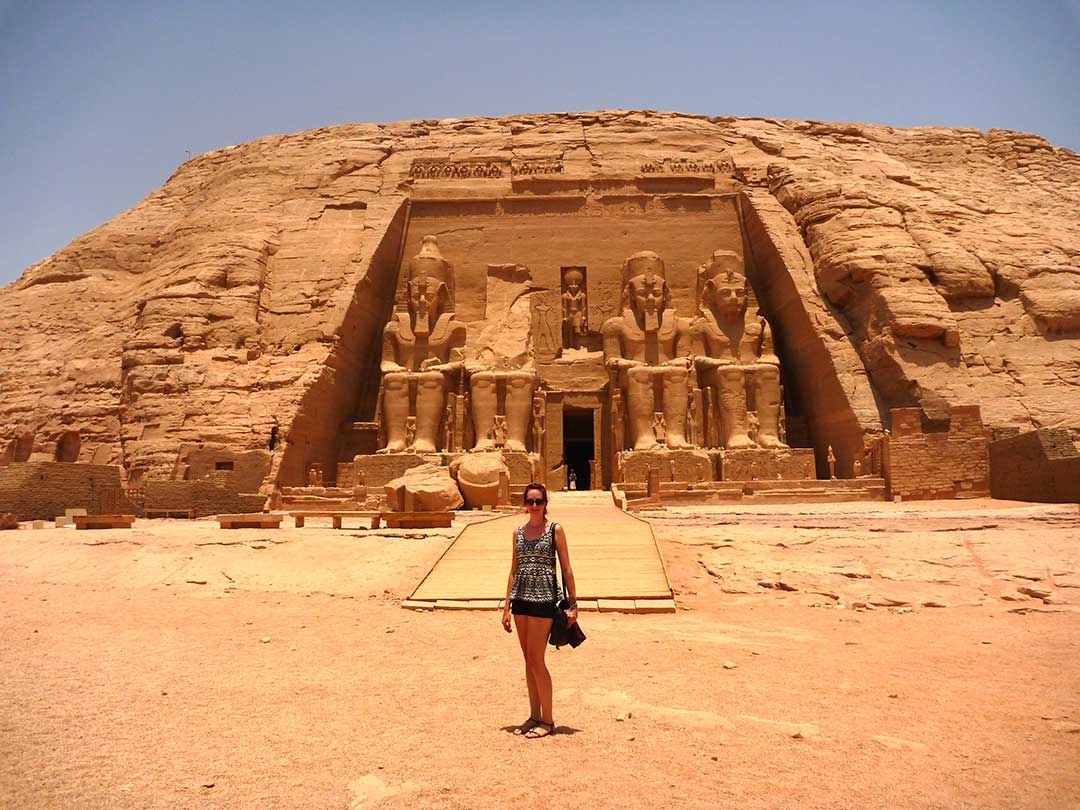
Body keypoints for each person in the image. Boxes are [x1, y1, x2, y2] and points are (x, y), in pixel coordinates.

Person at [501, 482, 578, 739]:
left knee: (537, 660)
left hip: (544, 599)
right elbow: (514, 570)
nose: (534, 506)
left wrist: (573, 604)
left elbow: (566, 569)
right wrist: (506, 606)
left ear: (546, 504)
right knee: (528, 661)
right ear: (524, 504)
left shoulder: (555, 530)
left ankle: (548, 720)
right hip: (521, 598)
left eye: (539, 501)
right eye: (530, 501)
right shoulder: (517, 533)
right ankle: (534, 715)